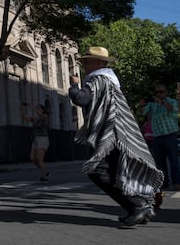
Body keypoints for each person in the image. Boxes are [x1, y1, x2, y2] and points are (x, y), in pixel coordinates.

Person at [69, 46, 163, 226]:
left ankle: (138, 206)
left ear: (98, 63)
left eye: (87, 62)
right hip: (118, 133)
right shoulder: (110, 81)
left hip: (109, 134)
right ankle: (140, 207)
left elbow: (81, 99)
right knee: (115, 171)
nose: (84, 66)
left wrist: (74, 85)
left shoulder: (98, 80)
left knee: (97, 171)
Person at [141, 83, 180, 191]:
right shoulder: (152, 104)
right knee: (160, 162)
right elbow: (143, 112)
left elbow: (173, 110)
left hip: (170, 134)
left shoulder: (171, 101)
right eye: (157, 92)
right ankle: (164, 182)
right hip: (157, 136)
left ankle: (177, 182)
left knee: (173, 160)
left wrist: (162, 102)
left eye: (161, 92)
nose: (158, 94)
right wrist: (143, 105)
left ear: (166, 92)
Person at [22, 103, 50, 181]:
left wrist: (34, 109)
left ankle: (44, 176)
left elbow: (42, 116)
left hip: (42, 139)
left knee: (39, 159)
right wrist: (23, 108)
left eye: (38, 108)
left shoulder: (45, 116)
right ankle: (45, 171)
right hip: (35, 139)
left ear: (42, 110)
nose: (37, 110)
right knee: (32, 159)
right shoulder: (36, 118)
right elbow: (25, 118)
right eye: (36, 108)